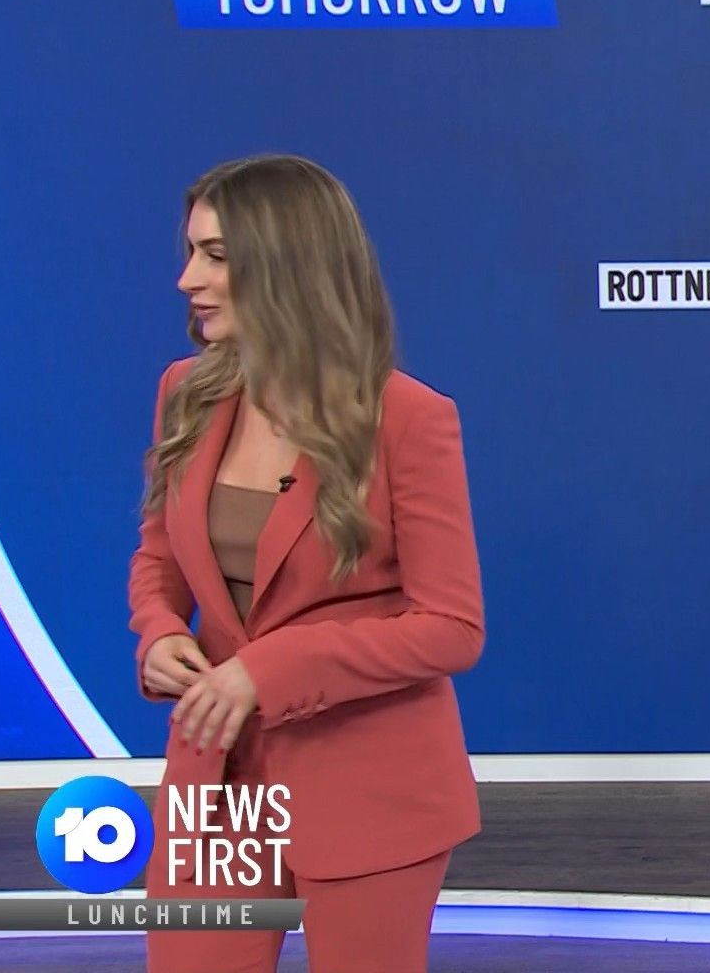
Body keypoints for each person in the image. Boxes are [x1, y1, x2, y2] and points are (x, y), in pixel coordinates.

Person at [128, 154, 484, 972]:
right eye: (191, 252)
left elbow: (452, 627)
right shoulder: (186, 394)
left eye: (216, 256)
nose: (187, 279)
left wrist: (272, 670)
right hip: (218, 786)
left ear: (285, 264)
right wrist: (157, 632)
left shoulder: (406, 419)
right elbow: (158, 555)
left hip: (369, 786)